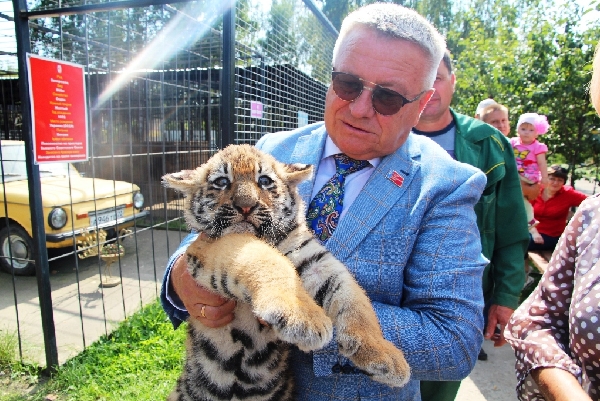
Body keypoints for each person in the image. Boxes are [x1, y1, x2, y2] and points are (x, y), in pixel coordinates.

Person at [160, 4, 489, 400]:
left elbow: (453, 341)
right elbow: (212, 221)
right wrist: (180, 273)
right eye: (348, 84)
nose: (359, 109)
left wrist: (309, 310)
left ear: (421, 104)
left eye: (387, 97)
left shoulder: (446, 184)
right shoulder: (275, 147)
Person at [413, 50, 529, 401]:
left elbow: (511, 228)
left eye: (437, 77)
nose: (429, 88)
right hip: (389, 295)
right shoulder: (382, 134)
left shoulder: (488, 143)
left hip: (460, 299)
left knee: (438, 389)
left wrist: (505, 297)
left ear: (453, 81)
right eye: (419, 77)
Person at [504, 41, 600, 401]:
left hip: (548, 237)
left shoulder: (574, 199)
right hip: (537, 233)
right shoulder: (592, 215)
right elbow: (536, 321)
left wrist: (541, 186)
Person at [528, 164, 588, 251]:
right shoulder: (536, 190)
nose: (555, 183)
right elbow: (525, 213)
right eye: (552, 179)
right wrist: (534, 232)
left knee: (518, 243)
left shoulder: (569, 194)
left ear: (564, 182)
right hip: (531, 231)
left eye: (560, 180)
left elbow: (592, 201)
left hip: (550, 236)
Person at [511, 112, 550, 228]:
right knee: (520, 198)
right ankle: (528, 219)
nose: (526, 132)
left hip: (528, 176)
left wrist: (545, 177)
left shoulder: (538, 147)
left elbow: (542, 163)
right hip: (516, 173)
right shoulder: (513, 142)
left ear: (537, 132)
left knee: (516, 193)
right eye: (523, 129)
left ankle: (527, 218)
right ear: (518, 130)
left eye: (531, 130)